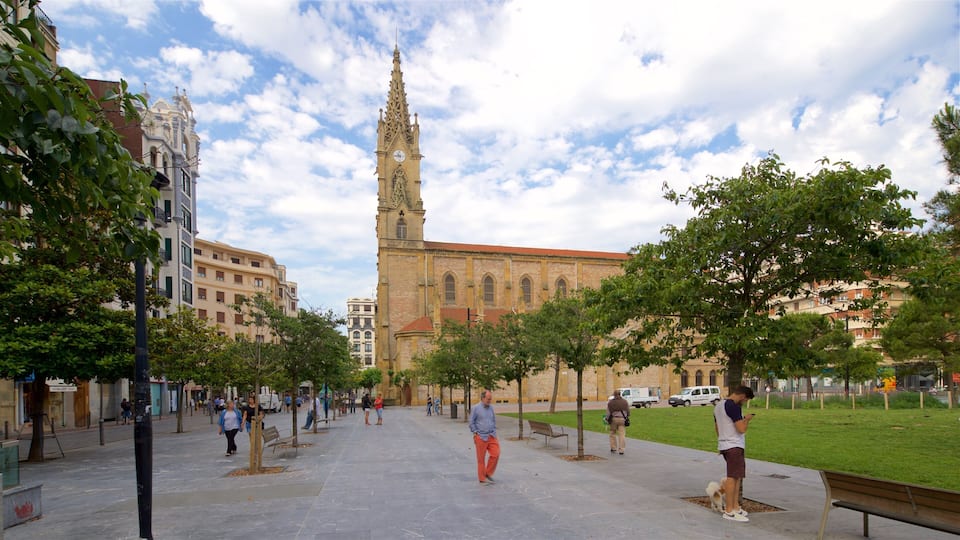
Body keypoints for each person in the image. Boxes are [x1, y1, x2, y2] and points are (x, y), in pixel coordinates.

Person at [714, 385, 756, 523]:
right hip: (734, 445)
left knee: (737, 476)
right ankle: (729, 510)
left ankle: (736, 507)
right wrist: (747, 419)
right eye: (745, 400)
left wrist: (722, 441)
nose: (744, 403)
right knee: (733, 477)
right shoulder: (734, 406)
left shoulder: (719, 406)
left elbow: (717, 428)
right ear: (743, 396)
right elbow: (741, 429)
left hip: (725, 444)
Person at [468, 389, 500, 485]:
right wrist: (475, 432)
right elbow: (471, 422)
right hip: (481, 436)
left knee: (496, 453)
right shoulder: (476, 408)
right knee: (481, 459)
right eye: (488, 399)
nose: (490, 401)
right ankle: (482, 478)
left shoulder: (491, 408)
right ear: (482, 398)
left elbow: (493, 420)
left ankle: (487, 473)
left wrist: (494, 430)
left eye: (491, 399)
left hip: (491, 435)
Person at [606, 389, 629, 455]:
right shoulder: (625, 402)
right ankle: (621, 450)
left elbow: (608, 412)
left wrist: (607, 419)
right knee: (622, 435)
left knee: (612, 433)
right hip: (622, 419)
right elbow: (628, 411)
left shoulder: (610, 402)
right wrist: (626, 416)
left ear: (614, 395)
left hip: (613, 419)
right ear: (620, 394)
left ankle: (613, 448)